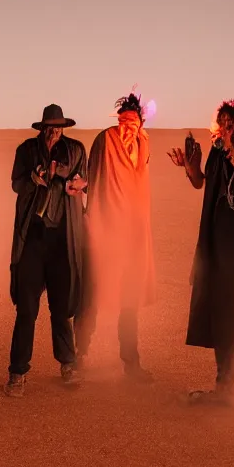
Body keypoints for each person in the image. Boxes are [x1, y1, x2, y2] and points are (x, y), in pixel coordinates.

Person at [168, 101, 234, 403]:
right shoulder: (217, 149)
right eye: (220, 121)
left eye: (228, 121)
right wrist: (190, 167)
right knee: (218, 308)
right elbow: (201, 184)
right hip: (215, 240)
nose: (223, 126)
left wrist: (231, 150)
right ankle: (225, 383)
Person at [5, 105, 87, 397]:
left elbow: (84, 180)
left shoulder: (76, 149)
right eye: (49, 126)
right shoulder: (27, 150)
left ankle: (68, 363)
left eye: (58, 126)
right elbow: (15, 183)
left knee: (61, 308)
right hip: (33, 239)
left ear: (63, 127)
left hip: (62, 240)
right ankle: (18, 371)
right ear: (41, 128)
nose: (54, 131)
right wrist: (32, 179)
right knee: (27, 309)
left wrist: (77, 184)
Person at [74, 93, 155, 382]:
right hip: (105, 229)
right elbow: (93, 177)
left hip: (133, 233)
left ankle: (131, 363)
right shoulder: (104, 140)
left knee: (129, 299)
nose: (126, 125)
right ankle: (78, 357)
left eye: (132, 120)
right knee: (93, 295)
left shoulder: (144, 143)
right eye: (122, 120)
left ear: (141, 122)